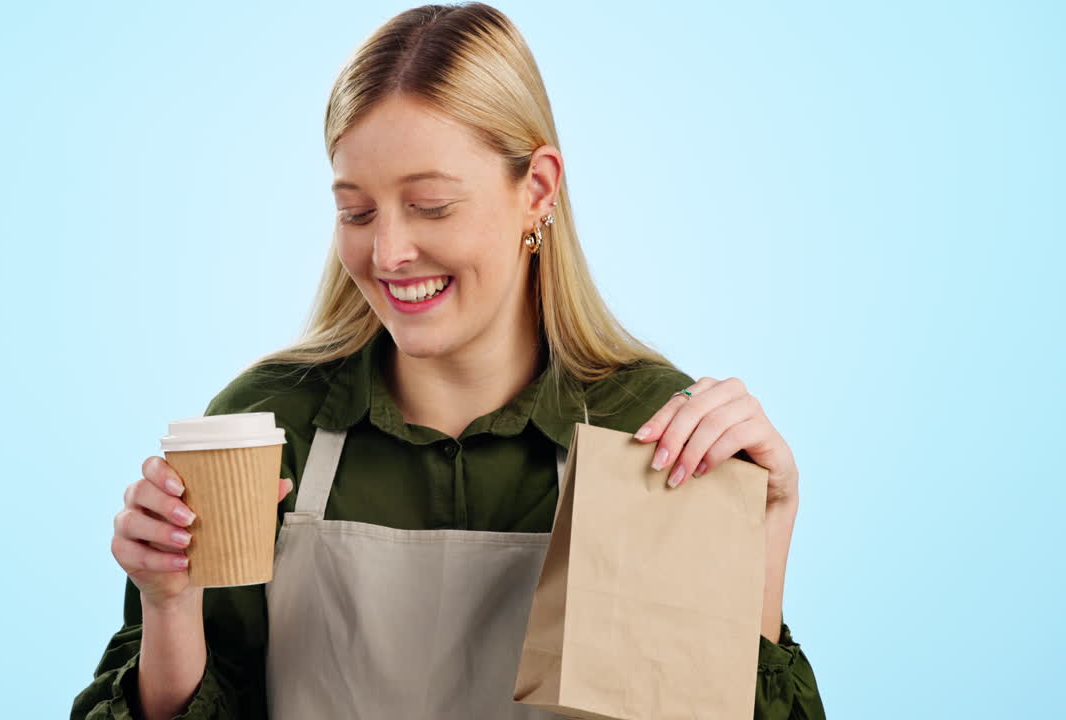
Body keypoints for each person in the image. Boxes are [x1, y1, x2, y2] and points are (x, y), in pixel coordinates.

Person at [71, 3, 826, 719]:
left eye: (431, 204)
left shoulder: (651, 432)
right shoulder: (270, 426)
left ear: (536, 189)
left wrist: (767, 527)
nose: (388, 253)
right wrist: (169, 606)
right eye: (355, 211)